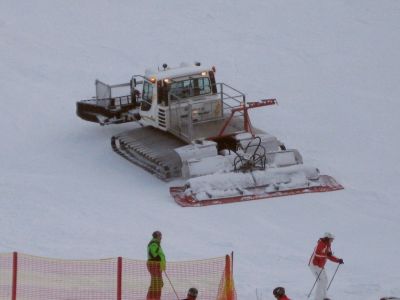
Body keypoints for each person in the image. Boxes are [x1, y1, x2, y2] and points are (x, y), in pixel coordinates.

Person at [309, 232, 344, 300]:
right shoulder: (321, 243)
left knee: (325, 280)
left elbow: (329, 256)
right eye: (331, 239)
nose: (332, 240)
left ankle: (324, 297)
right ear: (327, 238)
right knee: (321, 281)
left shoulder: (328, 245)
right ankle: (317, 298)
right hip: (314, 265)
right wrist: (326, 255)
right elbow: (317, 253)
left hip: (320, 266)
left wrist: (338, 260)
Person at [147, 231, 166, 300]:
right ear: (157, 236)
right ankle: (151, 298)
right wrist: (159, 260)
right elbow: (153, 254)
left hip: (158, 266)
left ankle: (156, 298)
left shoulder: (157, 244)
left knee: (159, 283)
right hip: (154, 264)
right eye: (160, 236)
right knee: (156, 283)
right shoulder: (153, 243)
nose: (161, 237)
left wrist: (161, 265)